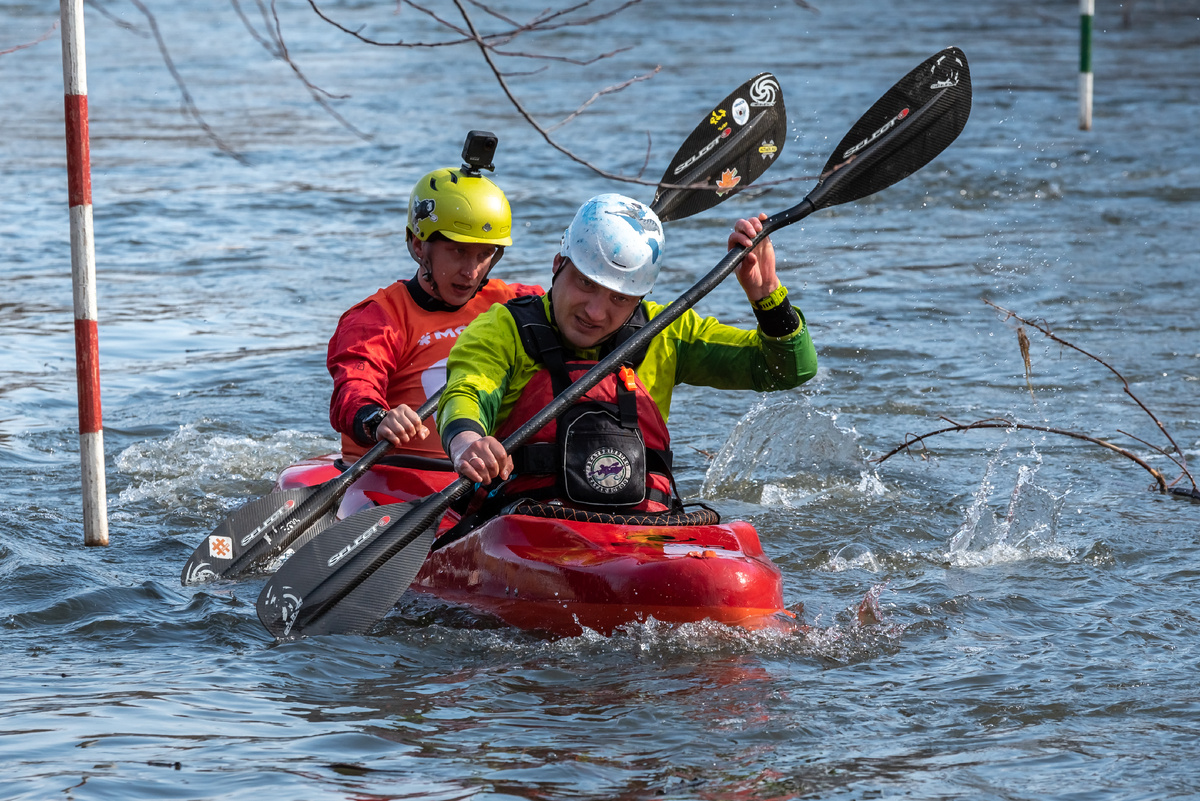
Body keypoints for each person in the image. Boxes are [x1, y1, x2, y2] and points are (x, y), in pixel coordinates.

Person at [436, 193, 817, 514]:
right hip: (525, 525)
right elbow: (467, 392)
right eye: (586, 283)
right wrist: (468, 443)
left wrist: (766, 295)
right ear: (558, 265)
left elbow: (788, 369)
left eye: (619, 298)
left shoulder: (663, 331)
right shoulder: (503, 330)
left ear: (639, 297)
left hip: (637, 530)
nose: (595, 312)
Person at [327, 166, 541, 463]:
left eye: (484, 254)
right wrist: (378, 419)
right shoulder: (377, 319)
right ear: (419, 245)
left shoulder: (516, 304)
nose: (471, 272)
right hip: (396, 472)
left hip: (483, 474)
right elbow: (354, 388)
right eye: (458, 251)